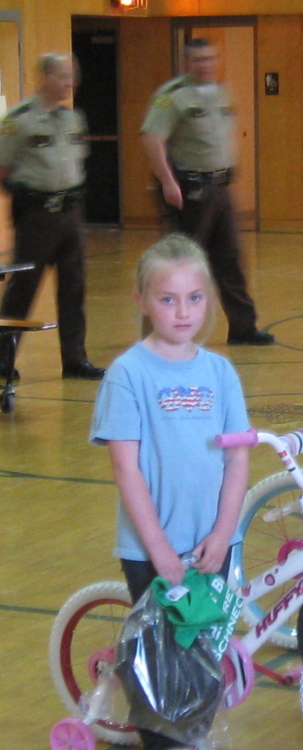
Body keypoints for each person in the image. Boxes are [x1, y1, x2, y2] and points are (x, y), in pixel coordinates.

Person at [89, 234, 250, 750]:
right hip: (151, 552)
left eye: (194, 298)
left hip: (209, 550)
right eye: (167, 298)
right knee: (159, 669)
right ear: (141, 301)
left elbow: (237, 458)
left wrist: (224, 534)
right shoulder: (128, 374)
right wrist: (157, 547)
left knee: (201, 660)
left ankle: (193, 738)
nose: (183, 312)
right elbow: (127, 468)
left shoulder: (220, 373)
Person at [140, 38, 274, 346]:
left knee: (230, 259)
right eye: (199, 59)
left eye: (211, 58)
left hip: (219, 188)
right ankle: (157, 330)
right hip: (189, 190)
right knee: (178, 262)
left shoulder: (220, 92)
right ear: (187, 63)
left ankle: (243, 327)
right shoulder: (172, 96)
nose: (206, 64)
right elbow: (151, 138)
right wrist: (167, 181)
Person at [0, 53, 104, 380]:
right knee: (23, 289)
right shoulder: (20, 120)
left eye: (72, 76)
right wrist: (24, 199)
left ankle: (75, 360)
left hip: (71, 213)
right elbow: (3, 167)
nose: (69, 83)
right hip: (37, 215)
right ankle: (2, 360)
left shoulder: (73, 119)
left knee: (74, 288)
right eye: (62, 76)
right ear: (45, 76)